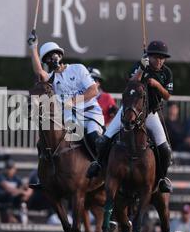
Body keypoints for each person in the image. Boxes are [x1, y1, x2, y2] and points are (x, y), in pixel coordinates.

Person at [87, 41, 175, 193]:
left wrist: (156, 85)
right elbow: (131, 83)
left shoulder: (166, 73)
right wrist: (141, 68)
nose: (159, 61)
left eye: (162, 58)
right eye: (155, 57)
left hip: (150, 114)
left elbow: (167, 96)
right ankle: (98, 165)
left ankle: (162, 178)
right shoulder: (139, 65)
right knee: (104, 139)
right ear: (150, 56)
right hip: (130, 111)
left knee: (165, 148)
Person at [27, 31, 105, 188]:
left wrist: (74, 101)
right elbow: (38, 72)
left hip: (90, 113)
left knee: (93, 137)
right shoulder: (52, 78)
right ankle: (46, 177)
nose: (52, 58)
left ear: (60, 56)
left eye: (54, 55)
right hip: (69, 117)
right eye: (48, 58)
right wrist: (33, 47)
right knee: (45, 142)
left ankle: (105, 170)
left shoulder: (78, 68)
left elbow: (93, 91)